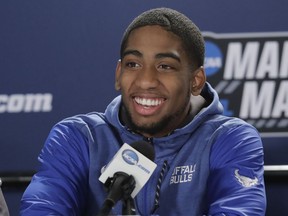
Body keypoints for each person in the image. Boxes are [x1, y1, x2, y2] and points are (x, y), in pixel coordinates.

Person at [20, 7, 266, 215]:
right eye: (133, 64)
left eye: (165, 66)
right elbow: (42, 208)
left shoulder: (229, 139)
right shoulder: (77, 137)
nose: (146, 80)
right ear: (118, 74)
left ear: (196, 81)